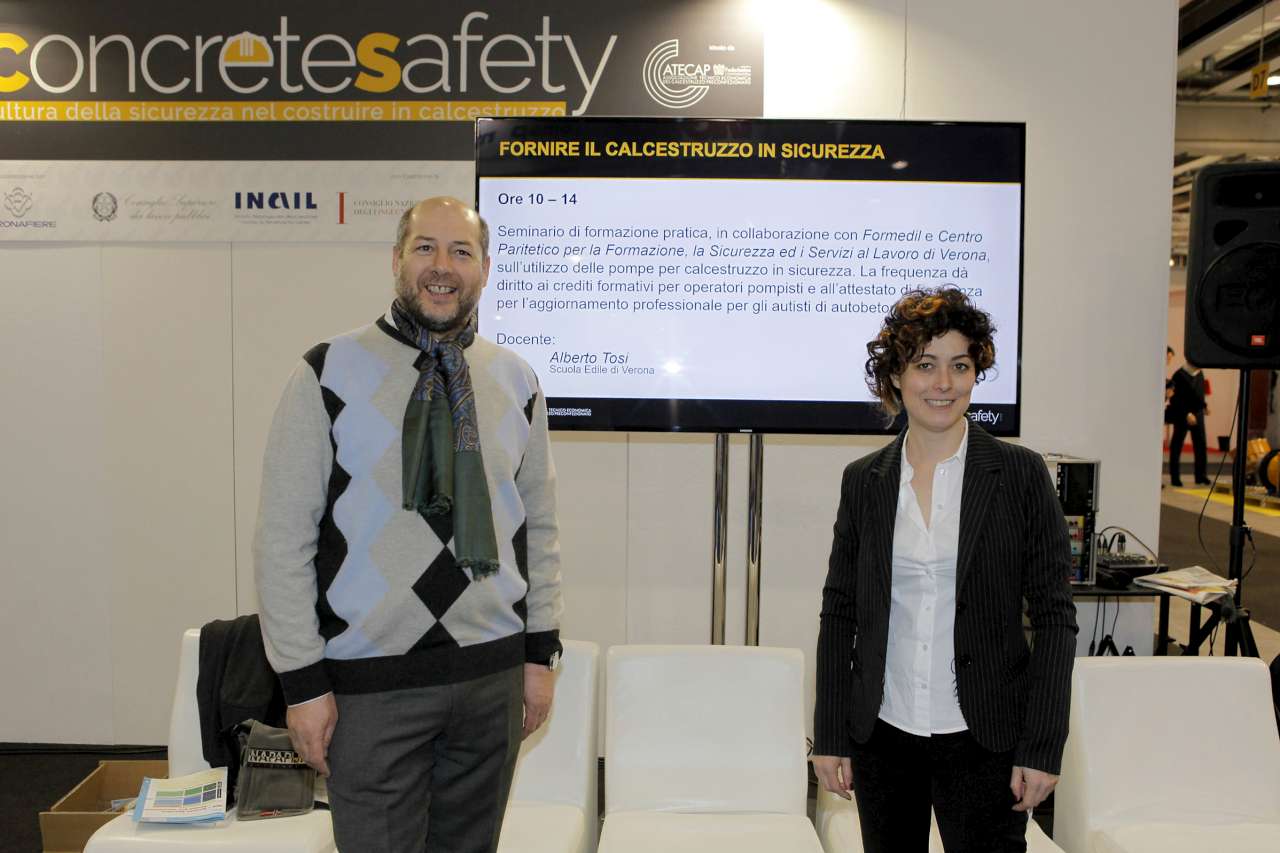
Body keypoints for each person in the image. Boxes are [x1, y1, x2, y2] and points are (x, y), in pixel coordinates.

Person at [254, 196, 564, 853]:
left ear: (485, 269)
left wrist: (540, 655)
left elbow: (537, 527)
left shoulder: (517, 380)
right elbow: (282, 540)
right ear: (396, 260)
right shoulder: (326, 373)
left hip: (489, 681)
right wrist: (302, 685)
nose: (442, 266)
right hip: (370, 688)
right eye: (425, 247)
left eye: (461, 251)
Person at [812, 287, 1077, 853]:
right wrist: (830, 734)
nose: (944, 383)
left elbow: (1055, 617)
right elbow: (839, 613)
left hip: (986, 736)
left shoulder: (1020, 474)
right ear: (895, 377)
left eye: (960, 366)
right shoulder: (864, 481)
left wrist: (1042, 746)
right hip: (885, 734)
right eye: (925, 365)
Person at [1167, 355, 1210, 487]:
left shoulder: (1200, 373)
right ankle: (1175, 477)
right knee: (1177, 445)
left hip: (1198, 414)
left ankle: (1201, 476)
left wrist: (1204, 406)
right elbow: (1175, 399)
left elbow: (1199, 394)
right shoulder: (1179, 375)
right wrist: (1187, 413)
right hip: (1182, 415)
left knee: (1201, 445)